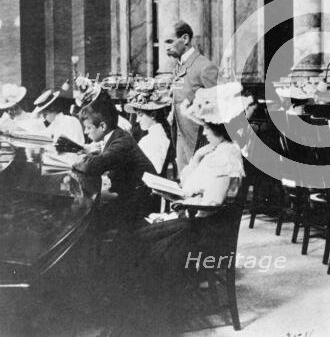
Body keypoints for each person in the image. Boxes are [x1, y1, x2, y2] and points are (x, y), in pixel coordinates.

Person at [131, 83, 247, 285]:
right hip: (196, 221)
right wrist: (195, 160)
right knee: (139, 236)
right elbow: (192, 184)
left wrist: (181, 201)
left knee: (143, 243)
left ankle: (162, 301)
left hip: (205, 230)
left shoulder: (225, 156)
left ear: (220, 129)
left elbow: (213, 202)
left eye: (207, 128)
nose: (203, 134)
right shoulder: (216, 151)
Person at [73, 96, 154, 230]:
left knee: (87, 218)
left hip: (139, 204)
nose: (86, 133)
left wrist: (75, 161)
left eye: (88, 128)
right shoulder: (117, 136)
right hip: (130, 195)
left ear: (103, 126)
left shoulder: (122, 142)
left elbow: (92, 166)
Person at [165, 20, 218, 171]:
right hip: (181, 137)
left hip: (200, 141)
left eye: (170, 41)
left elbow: (219, 109)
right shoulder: (179, 67)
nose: (166, 47)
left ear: (185, 39)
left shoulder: (205, 67)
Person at [124, 81, 171, 175]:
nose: (137, 120)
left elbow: (153, 172)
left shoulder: (153, 140)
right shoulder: (156, 136)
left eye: (140, 115)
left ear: (153, 114)